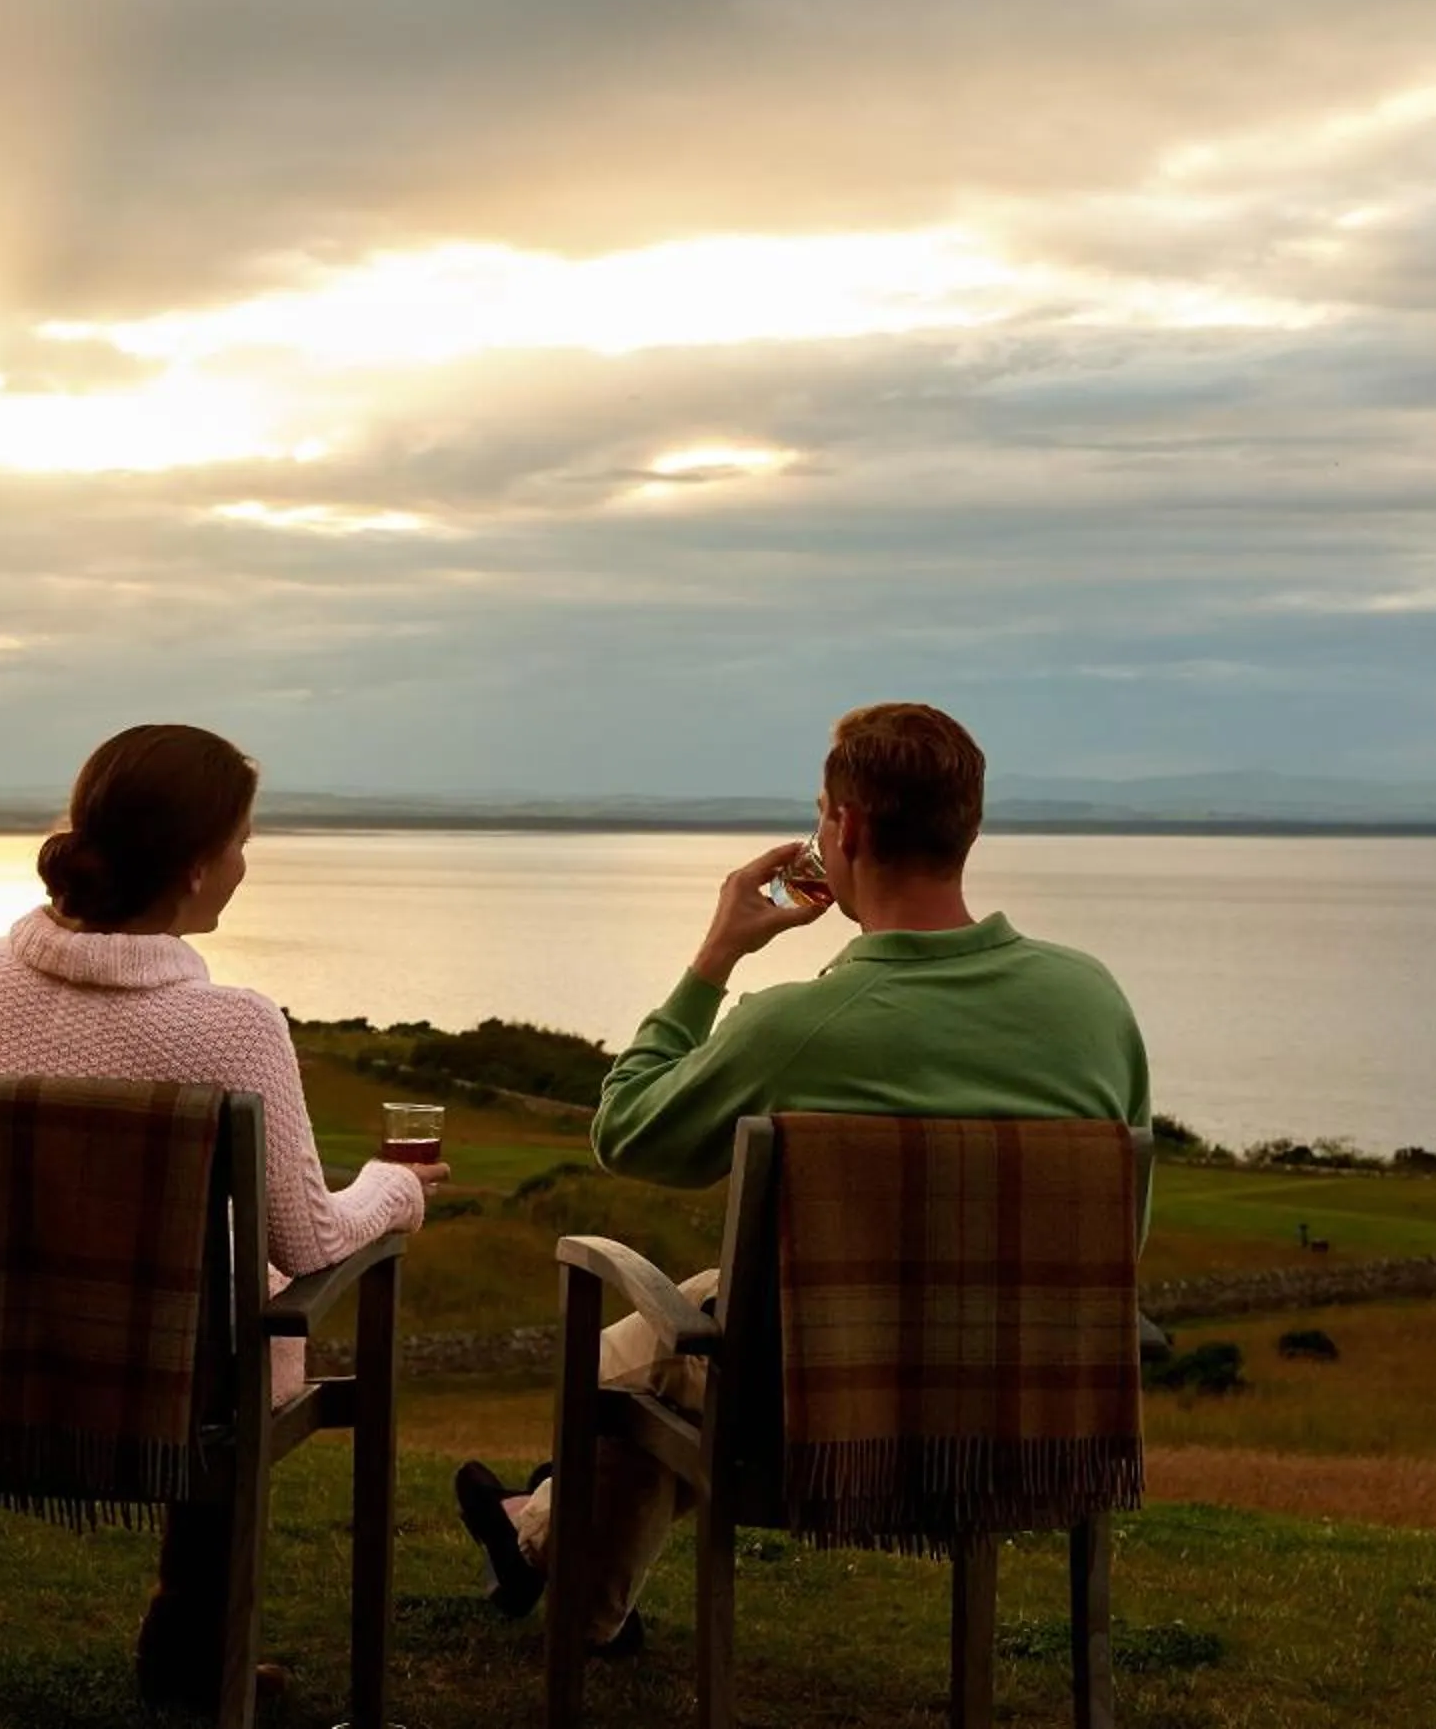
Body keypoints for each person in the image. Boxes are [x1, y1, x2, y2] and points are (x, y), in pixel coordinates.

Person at [453, 701, 1150, 1654]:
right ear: (969, 827)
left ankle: (545, 1553)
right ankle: (554, 1563)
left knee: (636, 1352)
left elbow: (627, 1131)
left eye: (824, 812)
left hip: (828, 1415)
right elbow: (1126, 1234)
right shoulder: (1092, 1001)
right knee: (686, 1328)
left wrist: (719, 952)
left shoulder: (795, 1025)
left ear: (846, 829)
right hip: (1033, 1411)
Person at [0, 722, 448, 1714]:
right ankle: (189, 1654)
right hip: (167, 1381)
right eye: (243, 839)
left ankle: (184, 1649)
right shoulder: (234, 1025)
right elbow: (308, 1243)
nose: (247, 861)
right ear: (196, 866)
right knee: (243, 1324)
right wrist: (399, 1188)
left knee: (215, 1310)